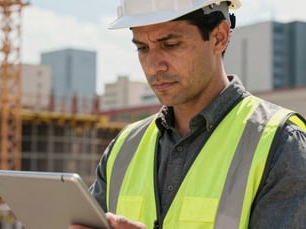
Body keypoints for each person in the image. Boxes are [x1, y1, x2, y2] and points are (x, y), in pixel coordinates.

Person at [69, 0, 306, 228]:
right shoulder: (124, 148)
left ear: (219, 37)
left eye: (170, 45)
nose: (153, 66)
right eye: (142, 48)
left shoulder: (282, 143)